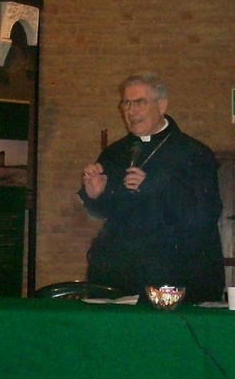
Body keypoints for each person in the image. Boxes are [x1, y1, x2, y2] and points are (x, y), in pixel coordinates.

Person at [78, 72, 225, 302]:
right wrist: (94, 196)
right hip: (120, 277)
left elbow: (205, 215)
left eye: (140, 102)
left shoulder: (193, 153)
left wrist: (155, 188)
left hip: (175, 277)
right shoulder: (115, 154)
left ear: (161, 105)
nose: (131, 111)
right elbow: (100, 212)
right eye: (126, 103)